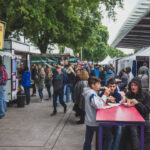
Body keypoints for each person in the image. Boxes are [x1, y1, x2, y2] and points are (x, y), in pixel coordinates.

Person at [121, 77, 150, 150]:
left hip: (143, 119)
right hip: (132, 119)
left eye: (135, 85)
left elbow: (146, 110)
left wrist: (137, 103)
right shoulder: (129, 94)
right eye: (132, 85)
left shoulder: (146, 95)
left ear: (139, 86)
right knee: (131, 130)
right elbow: (124, 104)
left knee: (143, 130)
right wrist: (123, 101)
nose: (133, 87)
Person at [83, 76, 110, 150]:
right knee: (108, 137)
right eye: (98, 84)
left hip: (89, 120)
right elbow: (99, 105)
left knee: (88, 140)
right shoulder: (91, 94)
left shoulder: (89, 91)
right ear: (92, 85)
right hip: (94, 121)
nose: (100, 86)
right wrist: (105, 95)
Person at [102, 77, 122, 150]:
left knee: (119, 131)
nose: (112, 88)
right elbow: (100, 103)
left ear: (116, 86)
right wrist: (105, 100)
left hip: (116, 117)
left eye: (114, 86)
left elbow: (120, 104)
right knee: (109, 136)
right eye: (110, 86)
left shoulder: (118, 95)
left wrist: (114, 101)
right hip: (105, 118)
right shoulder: (103, 93)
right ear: (107, 86)